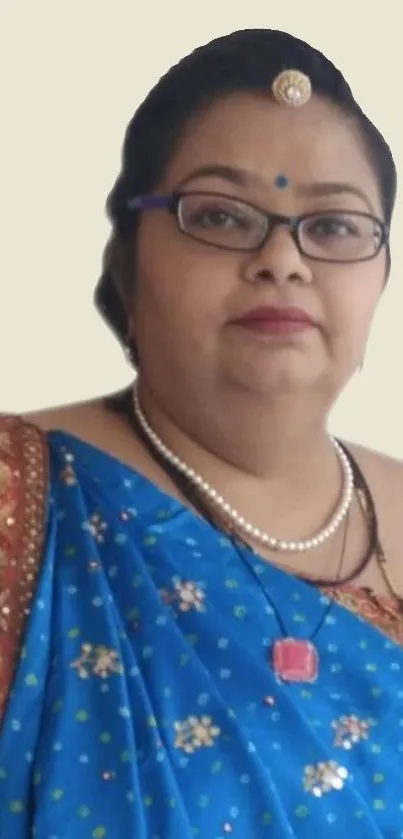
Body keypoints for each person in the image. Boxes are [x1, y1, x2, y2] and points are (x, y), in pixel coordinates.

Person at [0, 27, 402, 839]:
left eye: (331, 226)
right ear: (124, 264)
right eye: (219, 213)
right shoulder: (25, 498)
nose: (283, 259)